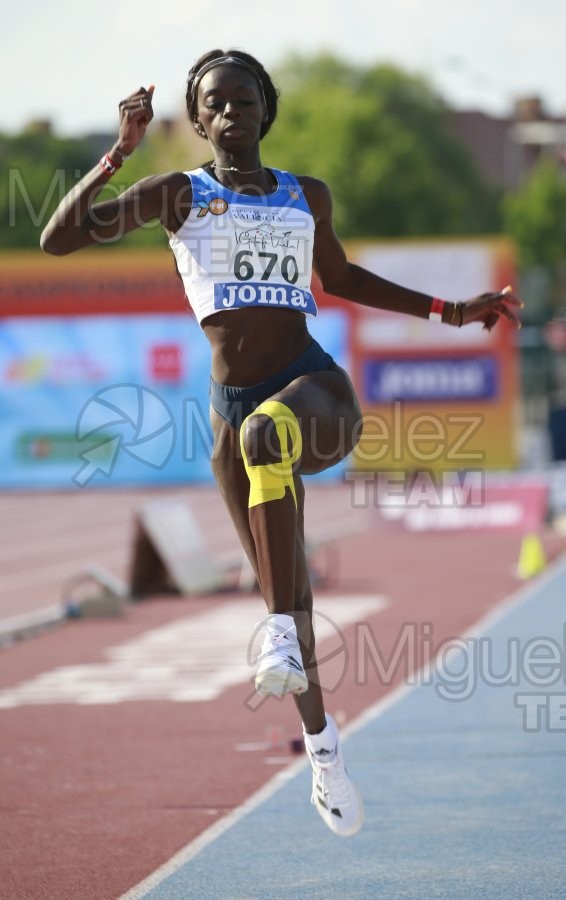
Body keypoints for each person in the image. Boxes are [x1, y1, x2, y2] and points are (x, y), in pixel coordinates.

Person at [40, 49, 522, 838]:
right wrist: (119, 150)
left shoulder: (307, 195)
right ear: (197, 121)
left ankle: (290, 662)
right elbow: (62, 239)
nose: (230, 113)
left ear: (265, 108)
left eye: (243, 99)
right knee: (286, 605)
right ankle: (325, 754)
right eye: (214, 104)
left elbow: (343, 279)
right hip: (233, 416)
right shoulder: (177, 195)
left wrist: (451, 311)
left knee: (272, 435)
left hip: (314, 390)